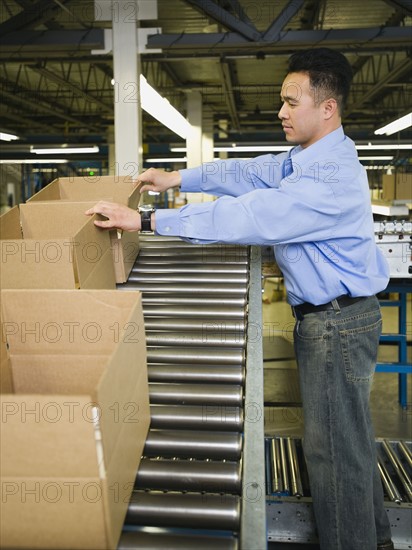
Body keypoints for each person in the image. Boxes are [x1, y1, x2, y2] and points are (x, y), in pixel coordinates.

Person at [86, 48, 394, 550]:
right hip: (335, 319)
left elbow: (248, 215)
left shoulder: (329, 178)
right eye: (282, 102)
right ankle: (374, 540)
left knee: (333, 453)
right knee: (350, 445)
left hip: (336, 325)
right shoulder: (305, 160)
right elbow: (249, 173)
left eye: (292, 102)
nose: (281, 112)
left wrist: (147, 221)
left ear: (328, 108)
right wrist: (178, 179)